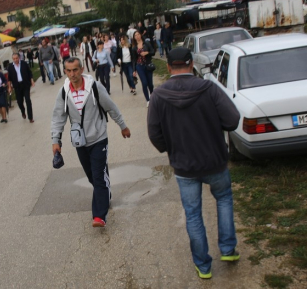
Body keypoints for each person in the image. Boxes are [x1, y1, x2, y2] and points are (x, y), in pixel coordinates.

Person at [147, 47, 241, 279]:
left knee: (193, 214)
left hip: (184, 167)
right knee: (224, 200)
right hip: (215, 161)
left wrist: (171, 149)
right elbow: (232, 119)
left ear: (168, 67)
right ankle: (228, 249)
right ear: (191, 64)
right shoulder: (209, 88)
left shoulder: (158, 96)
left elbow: (154, 133)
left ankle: (204, 265)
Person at [51, 57, 131, 228]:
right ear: (65, 72)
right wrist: (55, 140)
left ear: (81, 69)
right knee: (93, 176)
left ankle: (99, 215)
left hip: (99, 138)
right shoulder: (64, 92)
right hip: (80, 142)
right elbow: (58, 117)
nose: (72, 74)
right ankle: (105, 194)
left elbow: (111, 107)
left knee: (98, 176)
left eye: (75, 70)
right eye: (69, 71)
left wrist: (122, 126)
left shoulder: (94, 87)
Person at [7, 53, 35, 123]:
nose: (15, 60)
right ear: (12, 59)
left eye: (16, 58)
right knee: (19, 102)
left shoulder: (24, 63)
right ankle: (23, 111)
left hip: (25, 84)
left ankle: (30, 117)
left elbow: (29, 72)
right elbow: (9, 78)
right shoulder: (10, 67)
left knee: (28, 100)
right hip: (17, 86)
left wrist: (31, 80)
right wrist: (9, 87)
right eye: (14, 59)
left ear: (19, 58)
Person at [132, 30, 155, 107]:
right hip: (139, 66)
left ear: (141, 35)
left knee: (150, 84)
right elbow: (134, 60)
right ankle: (148, 100)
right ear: (134, 38)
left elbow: (153, 51)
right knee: (144, 83)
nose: (137, 36)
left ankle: (152, 95)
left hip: (148, 65)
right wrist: (134, 70)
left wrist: (147, 53)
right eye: (135, 35)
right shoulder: (134, 48)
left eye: (138, 34)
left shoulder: (147, 43)